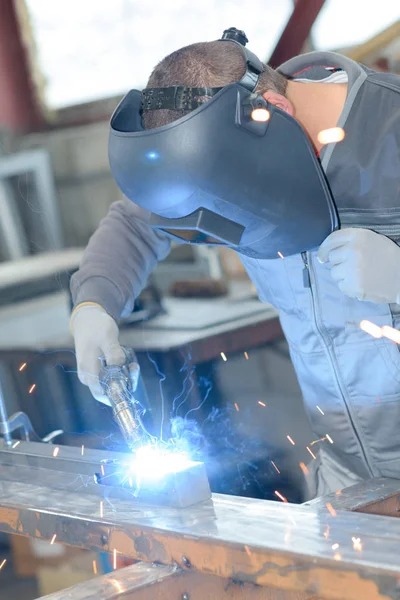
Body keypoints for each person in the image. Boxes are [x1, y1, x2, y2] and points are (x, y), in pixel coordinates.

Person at [70, 28, 400, 498]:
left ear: (275, 115)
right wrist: (93, 307)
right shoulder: (226, 159)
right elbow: (136, 221)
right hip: (348, 480)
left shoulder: (391, 131)